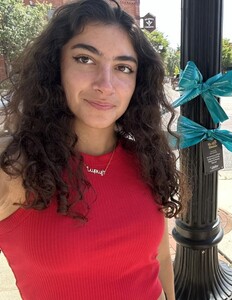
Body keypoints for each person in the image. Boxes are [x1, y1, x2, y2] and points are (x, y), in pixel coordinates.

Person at [0, 0, 189, 299]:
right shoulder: (14, 169)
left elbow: (160, 257)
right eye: (85, 59)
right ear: (55, 66)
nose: (105, 84)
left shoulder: (147, 157)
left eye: (123, 67)